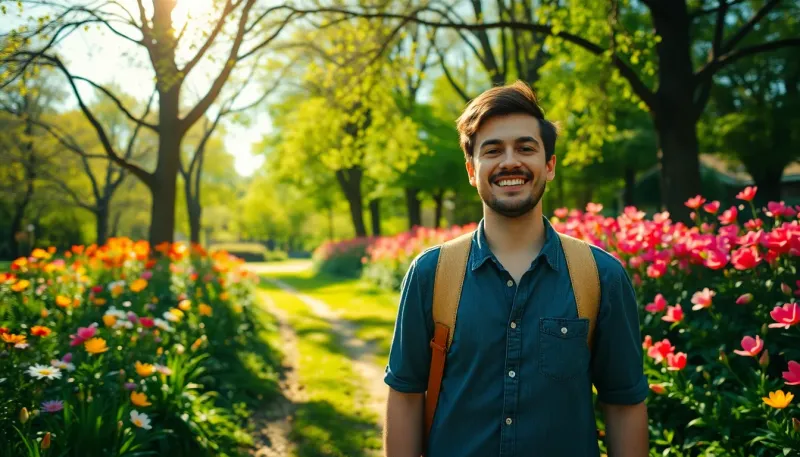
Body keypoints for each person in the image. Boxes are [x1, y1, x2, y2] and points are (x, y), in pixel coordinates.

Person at [382, 80, 649, 457]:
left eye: (525, 148)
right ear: (472, 170)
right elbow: (406, 395)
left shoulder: (601, 276)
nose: (510, 161)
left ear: (550, 165)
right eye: (493, 150)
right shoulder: (431, 273)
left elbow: (624, 404)